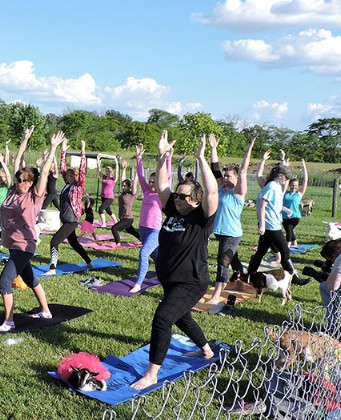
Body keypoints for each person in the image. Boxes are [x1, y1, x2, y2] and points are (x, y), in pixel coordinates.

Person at [131, 131, 217, 390]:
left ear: (195, 200)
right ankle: (207, 351)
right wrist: (162, 155)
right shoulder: (172, 210)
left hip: (191, 281)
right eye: (176, 196)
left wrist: (201, 157)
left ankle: (151, 374)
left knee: (163, 318)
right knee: (182, 318)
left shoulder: (202, 219)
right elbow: (162, 185)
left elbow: (212, 191)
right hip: (170, 279)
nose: (177, 199)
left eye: (183, 196)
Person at [0, 129, 63, 332]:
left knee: (4, 283)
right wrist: (24, 139)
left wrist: (53, 148)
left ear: (31, 182)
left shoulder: (35, 195)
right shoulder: (14, 191)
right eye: (18, 179)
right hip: (12, 244)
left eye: (24, 180)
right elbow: (17, 162)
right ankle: (45, 310)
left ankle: (9, 321)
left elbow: (46, 169)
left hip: (24, 245)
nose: (19, 182)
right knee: (30, 278)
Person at [206, 134, 256, 304]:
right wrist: (213, 149)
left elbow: (243, 171)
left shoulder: (238, 193)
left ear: (236, 178)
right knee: (233, 258)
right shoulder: (222, 189)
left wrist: (248, 150)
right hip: (219, 232)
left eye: (229, 176)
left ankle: (216, 294)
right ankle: (243, 277)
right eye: (225, 176)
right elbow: (214, 170)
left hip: (231, 234)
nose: (225, 178)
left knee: (222, 261)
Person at [246, 159, 305, 284]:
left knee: (261, 251)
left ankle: (250, 275)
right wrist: (262, 224)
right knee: (284, 251)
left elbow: (274, 205)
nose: (286, 180)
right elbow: (262, 205)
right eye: (286, 178)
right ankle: (294, 278)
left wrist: (285, 209)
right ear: (279, 176)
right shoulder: (272, 186)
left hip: (273, 223)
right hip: (271, 225)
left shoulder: (277, 187)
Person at [44, 137, 94, 276]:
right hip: (66, 219)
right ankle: (89, 262)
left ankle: (52, 268)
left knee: (54, 242)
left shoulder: (78, 187)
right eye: (69, 175)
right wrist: (63, 150)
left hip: (72, 220)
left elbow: (83, 170)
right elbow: (62, 167)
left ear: (77, 177)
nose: (69, 177)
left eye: (72, 175)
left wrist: (83, 151)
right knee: (74, 243)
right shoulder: (67, 185)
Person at [128, 142, 165, 294]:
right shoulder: (147, 191)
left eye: (153, 181)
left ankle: (138, 283)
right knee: (155, 256)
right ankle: (165, 275)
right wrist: (138, 158)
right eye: (150, 181)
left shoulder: (162, 194)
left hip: (155, 229)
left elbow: (166, 175)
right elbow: (140, 175)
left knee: (143, 253)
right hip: (143, 228)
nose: (150, 183)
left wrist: (166, 157)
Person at [110, 161, 140, 246]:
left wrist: (138, 171)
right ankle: (143, 240)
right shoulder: (123, 193)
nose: (123, 187)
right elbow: (123, 179)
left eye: (125, 186)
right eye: (122, 186)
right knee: (131, 231)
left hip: (128, 218)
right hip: (123, 218)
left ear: (129, 186)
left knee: (114, 228)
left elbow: (134, 182)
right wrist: (124, 169)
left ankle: (118, 244)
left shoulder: (132, 194)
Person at [281, 160, 308, 249]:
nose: (294, 187)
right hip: (284, 216)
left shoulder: (299, 194)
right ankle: (295, 242)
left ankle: (287, 246)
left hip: (295, 216)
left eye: (296, 186)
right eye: (292, 185)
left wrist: (303, 166)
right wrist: (286, 166)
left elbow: (305, 180)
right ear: (289, 185)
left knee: (289, 229)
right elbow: (285, 179)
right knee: (289, 229)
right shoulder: (285, 193)